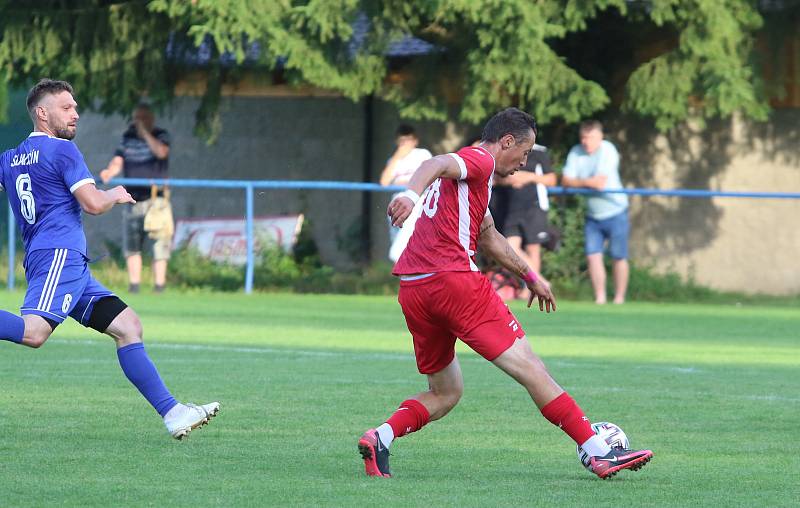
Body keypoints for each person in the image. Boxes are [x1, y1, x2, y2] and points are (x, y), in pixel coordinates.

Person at [357, 108, 652, 479]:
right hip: (455, 282)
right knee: (531, 368)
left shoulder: (475, 181)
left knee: (446, 392)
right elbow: (435, 162)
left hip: (415, 288)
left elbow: (488, 235)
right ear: (507, 142)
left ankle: (380, 437)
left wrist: (530, 275)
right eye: (524, 153)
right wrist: (410, 195)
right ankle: (597, 450)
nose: (523, 162)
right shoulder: (479, 158)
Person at [0, 79, 219, 440]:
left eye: (75, 106)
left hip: (63, 261)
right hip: (60, 256)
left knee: (128, 326)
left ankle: (173, 412)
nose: (76, 113)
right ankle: (173, 412)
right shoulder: (63, 152)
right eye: (66, 107)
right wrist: (114, 193)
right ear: (42, 113)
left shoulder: (10, 158)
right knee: (34, 333)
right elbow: (93, 204)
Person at [100, 103, 172, 293]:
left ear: (151, 119)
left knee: (159, 245)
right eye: (136, 118)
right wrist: (110, 171)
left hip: (157, 200)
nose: (137, 122)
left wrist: (145, 133)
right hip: (133, 199)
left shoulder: (160, 135)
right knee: (132, 245)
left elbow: (161, 152)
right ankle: (134, 286)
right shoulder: (127, 137)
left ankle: (159, 287)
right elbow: (118, 160)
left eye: (142, 118)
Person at [561, 120, 629, 304]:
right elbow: (566, 181)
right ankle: (600, 298)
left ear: (600, 137)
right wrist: (586, 182)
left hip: (616, 211)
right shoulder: (576, 151)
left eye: (590, 137)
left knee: (618, 256)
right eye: (583, 137)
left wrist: (579, 182)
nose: (585, 141)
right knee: (592, 255)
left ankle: (619, 299)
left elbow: (599, 184)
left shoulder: (608, 150)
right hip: (593, 215)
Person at [493, 143, 557, 293]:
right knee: (509, 247)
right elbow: (497, 178)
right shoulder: (506, 150)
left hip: (534, 205)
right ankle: (541, 282)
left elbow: (551, 179)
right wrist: (510, 180)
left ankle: (530, 290)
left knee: (533, 248)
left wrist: (528, 177)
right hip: (512, 207)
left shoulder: (539, 152)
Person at [379, 125, 432, 262]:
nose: (405, 144)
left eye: (408, 140)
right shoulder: (394, 160)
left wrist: (407, 184)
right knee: (399, 245)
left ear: (415, 141)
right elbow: (384, 182)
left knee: (397, 253)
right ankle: (409, 279)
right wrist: (397, 157)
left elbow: (429, 178)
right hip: (396, 203)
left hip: (416, 202)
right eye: (402, 141)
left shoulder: (422, 154)